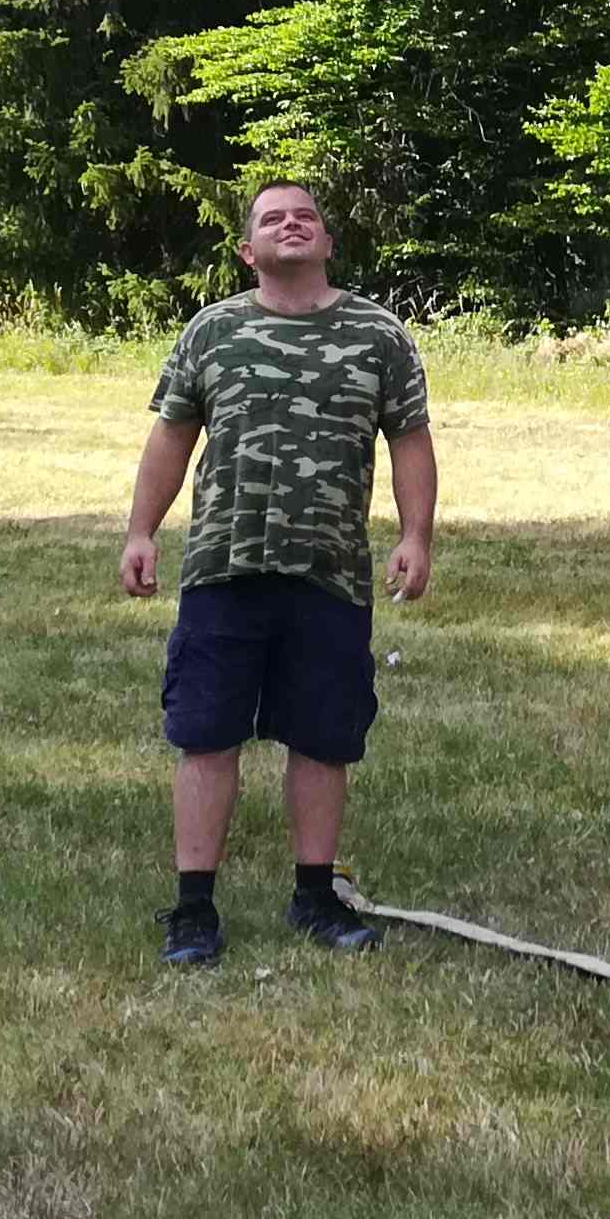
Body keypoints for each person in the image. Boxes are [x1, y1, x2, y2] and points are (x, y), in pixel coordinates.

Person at [117, 177, 437, 967]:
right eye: (272, 218)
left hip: (330, 572)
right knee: (206, 734)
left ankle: (315, 896)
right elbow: (171, 437)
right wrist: (140, 531)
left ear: (328, 241)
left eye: (305, 216)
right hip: (223, 567)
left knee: (324, 737)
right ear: (247, 250)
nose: (290, 225)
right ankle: (194, 909)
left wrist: (416, 536)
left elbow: (410, 439)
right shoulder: (212, 331)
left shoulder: (379, 335)